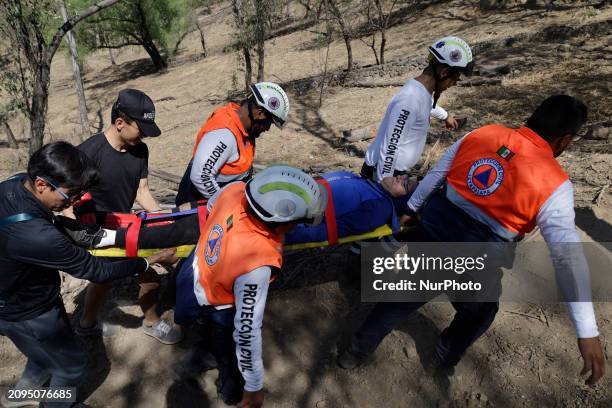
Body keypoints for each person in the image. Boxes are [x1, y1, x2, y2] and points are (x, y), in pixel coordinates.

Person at [338, 95, 606, 386]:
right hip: (477, 256)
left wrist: (412, 209)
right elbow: (566, 256)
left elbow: (437, 174)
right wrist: (586, 330)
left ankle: (354, 351)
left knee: (402, 298)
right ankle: (443, 356)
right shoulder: (555, 184)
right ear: (565, 140)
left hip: (434, 229)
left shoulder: (482, 133)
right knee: (480, 310)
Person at [0, 142, 177, 408]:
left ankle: (19, 395)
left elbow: (62, 225)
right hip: (29, 312)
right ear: (41, 184)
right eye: (71, 195)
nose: (74, 202)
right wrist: (149, 261)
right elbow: (96, 269)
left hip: (15, 298)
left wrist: (109, 235)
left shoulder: (13, 185)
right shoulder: (36, 236)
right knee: (72, 364)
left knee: (41, 356)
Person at [173, 165, 326, 407]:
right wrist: (254, 387)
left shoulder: (234, 190)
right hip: (217, 304)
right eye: (297, 222)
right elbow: (246, 330)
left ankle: (204, 352)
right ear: (280, 222)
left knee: (208, 330)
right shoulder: (256, 264)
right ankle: (230, 388)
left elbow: (212, 209)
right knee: (228, 348)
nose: (298, 227)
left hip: (195, 270)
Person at [65, 89, 182, 344]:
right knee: (103, 281)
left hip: (127, 225)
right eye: (140, 129)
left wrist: (164, 219)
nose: (143, 136)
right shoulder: (87, 154)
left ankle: (151, 321)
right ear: (120, 123)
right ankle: (87, 323)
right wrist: (74, 234)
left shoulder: (140, 151)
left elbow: (141, 191)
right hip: (96, 231)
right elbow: (66, 199)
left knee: (150, 272)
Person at [85, 171, 417, 251]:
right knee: (193, 213)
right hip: (266, 200)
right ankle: (122, 224)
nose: (402, 177)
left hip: (272, 220)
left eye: (407, 184)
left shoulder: (378, 207)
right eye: (406, 174)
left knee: (194, 229)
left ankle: (110, 238)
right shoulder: (367, 186)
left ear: (402, 202)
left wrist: (275, 228)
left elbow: (323, 227)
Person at [362, 35, 474, 183]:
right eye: (455, 79)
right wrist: (386, 184)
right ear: (444, 73)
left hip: (391, 173)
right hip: (382, 175)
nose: (453, 84)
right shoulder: (411, 98)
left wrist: (446, 116)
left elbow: (425, 107)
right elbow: (391, 145)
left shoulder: (422, 92)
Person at [175, 82, 290, 206]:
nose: (267, 128)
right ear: (259, 113)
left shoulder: (245, 127)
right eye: (269, 123)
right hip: (196, 211)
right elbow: (201, 175)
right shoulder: (225, 134)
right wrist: (225, 203)